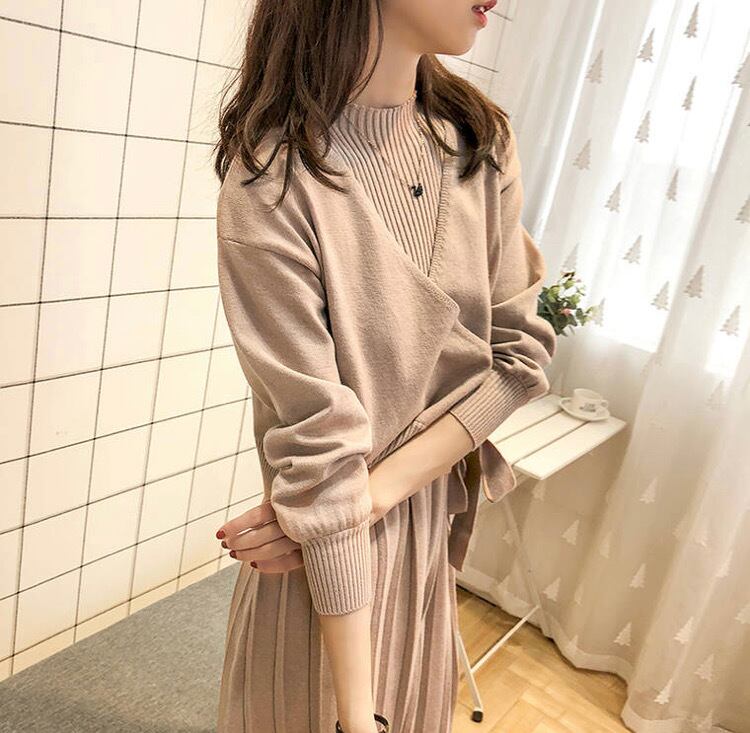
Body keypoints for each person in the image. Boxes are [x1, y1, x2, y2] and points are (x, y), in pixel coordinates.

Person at [211, 1, 557, 731]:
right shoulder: (273, 181)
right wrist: (355, 715)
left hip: (412, 536)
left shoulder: (480, 142)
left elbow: (518, 357)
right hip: (326, 579)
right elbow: (319, 444)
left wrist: (370, 494)